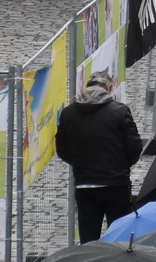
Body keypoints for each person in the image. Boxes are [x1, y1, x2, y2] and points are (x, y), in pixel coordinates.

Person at [54, 72, 142, 243]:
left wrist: (80, 164)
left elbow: (62, 149)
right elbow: (135, 147)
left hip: (84, 184)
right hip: (116, 184)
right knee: (120, 238)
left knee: (88, 239)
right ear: (109, 88)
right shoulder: (120, 111)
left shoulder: (68, 113)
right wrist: (121, 166)